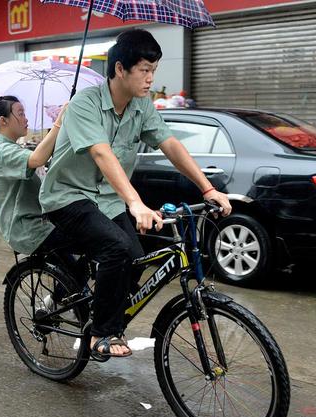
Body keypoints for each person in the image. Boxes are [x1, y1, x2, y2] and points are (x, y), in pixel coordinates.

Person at [39, 29, 232, 361]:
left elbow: (170, 144)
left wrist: (208, 188)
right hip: (68, 196)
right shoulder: (83, 104)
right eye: (144, 70)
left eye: (153, 71)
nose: (150, 79)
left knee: (135, 254)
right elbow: (102, 154)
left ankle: (100, 305)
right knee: (116, 248)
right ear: (119, 70)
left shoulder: (142, 107)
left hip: (107, 200)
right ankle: (101, 331)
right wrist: (135, 201)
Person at [0, 96, 74, 262]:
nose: (26, 118)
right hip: (27, 229)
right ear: (4, 121)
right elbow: (37, 159)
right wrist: (58, 123)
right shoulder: (2, 151)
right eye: (20, 113)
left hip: (37, 222)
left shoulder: (9, 147)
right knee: (89, 241)